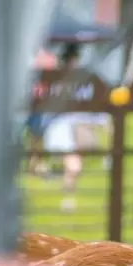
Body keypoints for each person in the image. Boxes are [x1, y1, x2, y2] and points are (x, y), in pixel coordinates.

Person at [43, 44, 93, 212]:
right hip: (62, 126)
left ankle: (68, 194)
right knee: (74, 164)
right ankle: (68, 198)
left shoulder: (79, 80)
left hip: (74, 124)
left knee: (74, 163)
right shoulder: (59, 80)